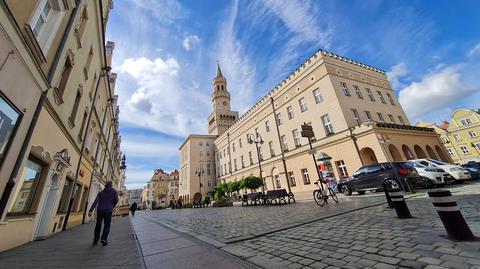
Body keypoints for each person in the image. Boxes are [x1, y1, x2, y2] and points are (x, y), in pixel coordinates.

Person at [88, 181, 118, 246]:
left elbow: (95, 202)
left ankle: (96, 240)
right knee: (107, 225)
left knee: (98, 225)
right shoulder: (114, 192)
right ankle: (104, 239)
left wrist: (91, 210)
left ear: (105, 186)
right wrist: (112, 205)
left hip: (100, 211)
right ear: (111, 185)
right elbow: (116, 200)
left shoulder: (101, 193)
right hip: (108, 211)